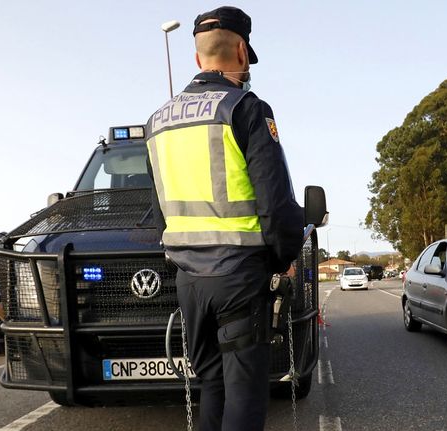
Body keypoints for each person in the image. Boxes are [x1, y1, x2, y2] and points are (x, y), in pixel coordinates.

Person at [144, 6, 303, 430]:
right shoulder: (246, 107)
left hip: (188, 281)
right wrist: (286, 253)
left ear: (198, 59)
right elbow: (275, 200)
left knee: (210, 383)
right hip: (238, 274)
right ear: (241, 49)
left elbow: (160, 207)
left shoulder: (156, 122)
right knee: (245, 393)